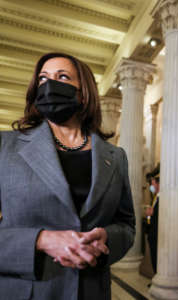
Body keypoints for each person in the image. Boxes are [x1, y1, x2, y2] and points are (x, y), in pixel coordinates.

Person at [0, 52, 135, 300]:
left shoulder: (115, 156)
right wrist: (40, 240)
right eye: (43, 78)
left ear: (83, 92)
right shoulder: (5, 146)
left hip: (91, 290)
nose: (49, 85)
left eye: (62, 76)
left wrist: (107, 239)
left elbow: (126, 225)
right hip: (28, 291)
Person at [145, 167, 160, 274]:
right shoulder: (155, 197)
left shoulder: (161, 198)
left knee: (157, 259)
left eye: (151, 183)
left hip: (158, 234)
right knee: (154, 258)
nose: (151, 186)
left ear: (155, 182)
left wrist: (152, 214)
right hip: (153, 234)